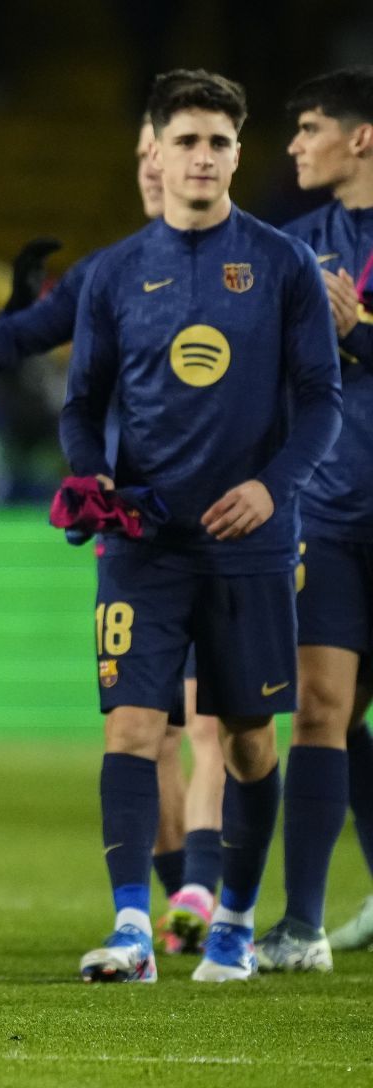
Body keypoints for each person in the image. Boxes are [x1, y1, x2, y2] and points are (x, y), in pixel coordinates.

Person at [64, 69, 340, 984]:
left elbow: (320, 403)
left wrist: (273, 488)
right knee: (132, 729)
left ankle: (233, 916)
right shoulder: (112, 273)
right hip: (142, 544)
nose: (204, 157)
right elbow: (82, 405)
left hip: (252, 545)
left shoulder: (281, 264)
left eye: (220, 142)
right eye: (186, 140)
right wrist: (90, 475)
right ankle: (133, 929)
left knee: (251, 741)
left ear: (235, 152)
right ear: (156, 148)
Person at [0, 120, 227, 954]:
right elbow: (3, 351)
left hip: (235, 532)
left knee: (218, 722)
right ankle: (179, 898)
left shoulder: (261, 265)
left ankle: (218, 893)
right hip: (139, 531)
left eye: (179, 148)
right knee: (150, 727)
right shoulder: (110, 273)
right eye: (147, 151)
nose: (161, 165)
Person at [260, 67, 373, 967]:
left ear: (361, 137)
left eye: (308, 127)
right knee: (322, 709)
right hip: (328, 512)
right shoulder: (293, 249)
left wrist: (360, 335)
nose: (294, 145)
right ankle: (301, 925)